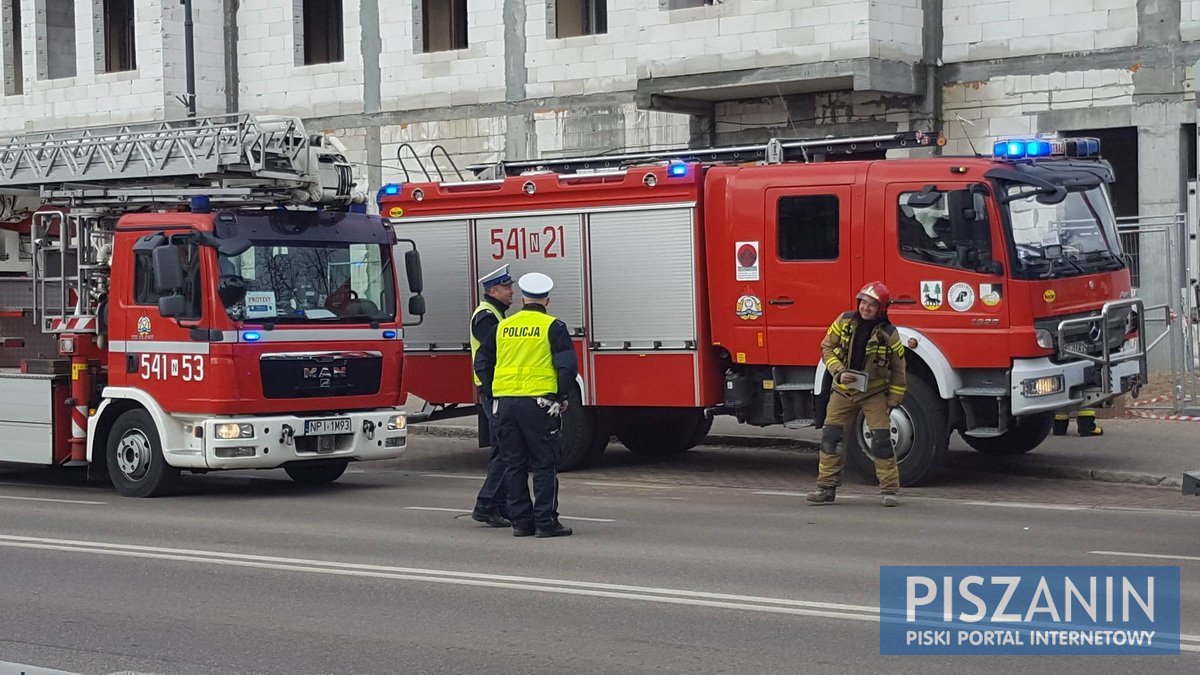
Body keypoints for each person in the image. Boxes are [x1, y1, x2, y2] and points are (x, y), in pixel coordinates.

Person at [474, 272, 579, 538]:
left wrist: (492, 391)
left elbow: (482, 362)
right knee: (544, 464)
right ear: (547, 300)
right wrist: (561, 396)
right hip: (539, 405)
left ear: (522, 298)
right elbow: (566, 366)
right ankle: (545, 522)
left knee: (514, 464)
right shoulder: (552, 326)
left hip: (505, 404)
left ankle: (521, 523)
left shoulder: (503, 326)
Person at [808, 281, 907, 507]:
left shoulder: (889, 334)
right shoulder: (844, 321)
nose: (866, 308)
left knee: (881, 440)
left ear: (881, 309)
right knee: (831, 437)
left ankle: (889, 490)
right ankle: (825, 488)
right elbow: (826, 347)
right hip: (843, 390)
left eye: (872, 305)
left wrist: (893, 400)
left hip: (873, 393)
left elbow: (899, 370)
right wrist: (839, 372)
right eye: (863, 302)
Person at [469, 264, 516, 527]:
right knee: (506, 449)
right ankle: (486, 506)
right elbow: (494, 354)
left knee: (505, 448)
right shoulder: (486, 316)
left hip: (498, 388)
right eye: (507, 288)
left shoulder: (495, 314)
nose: (511, 292)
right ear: (493, 290)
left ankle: (500, 505)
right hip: (493, 389)